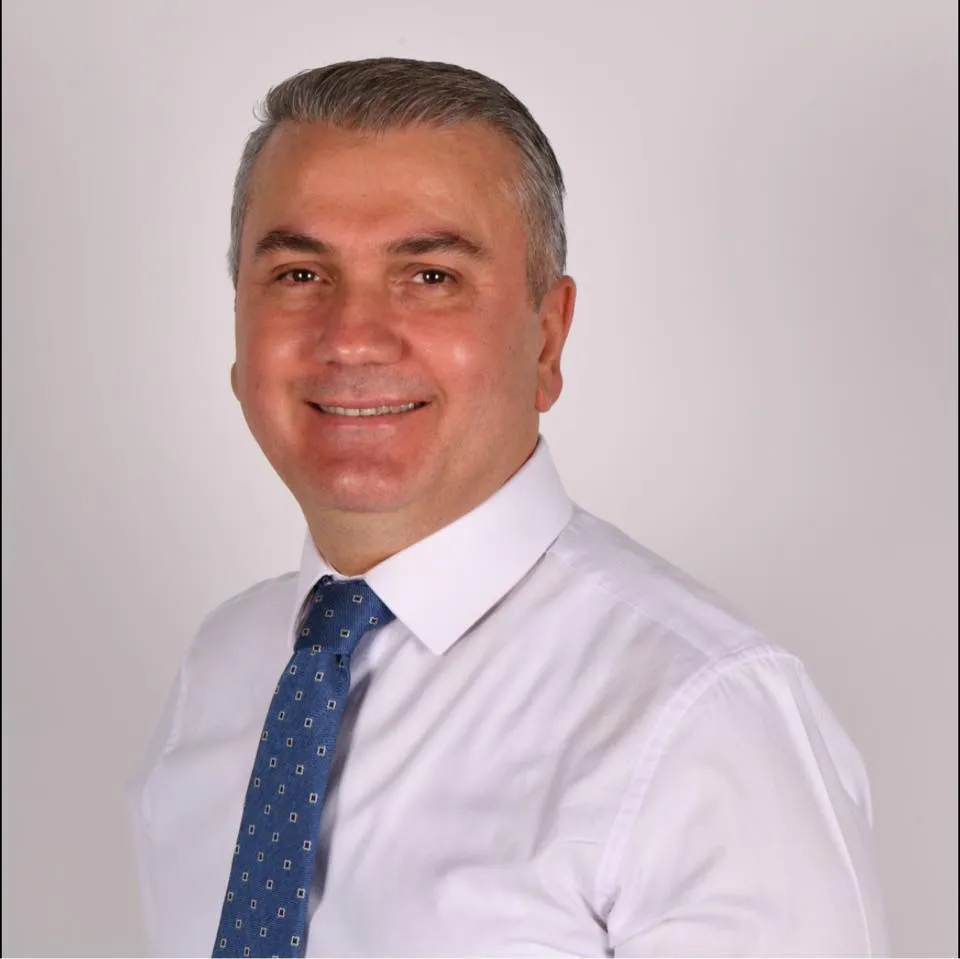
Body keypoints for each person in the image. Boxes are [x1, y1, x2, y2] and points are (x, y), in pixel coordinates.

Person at [127, 58, 888, 957]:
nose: (352, 338)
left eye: (430, 276)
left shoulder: (701, 720)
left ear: (548, 339)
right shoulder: (223, 668)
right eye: (299, 274)